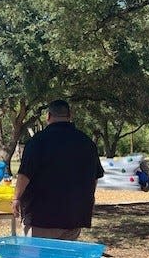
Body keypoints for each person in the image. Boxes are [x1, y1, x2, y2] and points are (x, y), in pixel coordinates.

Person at [12, 100, 104, 240]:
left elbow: (24, 175)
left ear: (48, 116)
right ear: (70, 115)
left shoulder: (37, 141)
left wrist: (16, 198)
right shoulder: (87, 142)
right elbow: (94, 177)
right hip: (74, 217)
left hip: (41, 218)